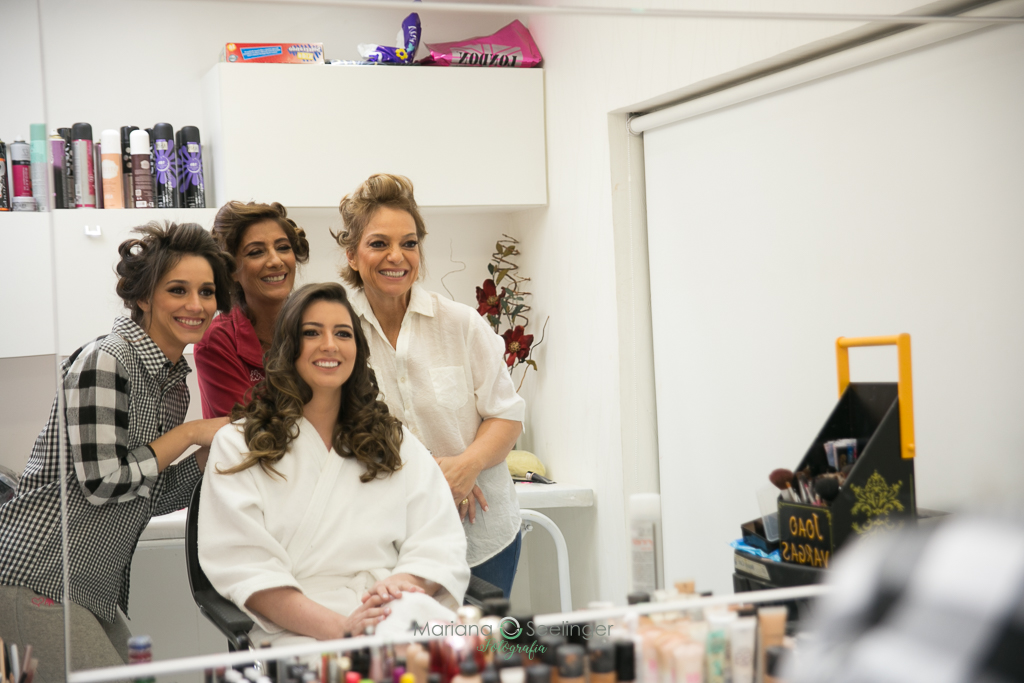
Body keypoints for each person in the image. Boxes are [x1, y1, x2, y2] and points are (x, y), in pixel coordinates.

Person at [0, 223, 233, 678]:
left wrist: (210, 460)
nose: (196, 305)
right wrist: (191, 435)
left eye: (207, 292)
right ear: (143, 297)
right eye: (178, 290)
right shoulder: (107, 360)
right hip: (38, 574)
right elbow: (104, 481)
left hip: (90, 587)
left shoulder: (170, 382)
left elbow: (148, 493)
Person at [198, 282, 469, 646]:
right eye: (311, 333)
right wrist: (344, 629)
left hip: (392, 611)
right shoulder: (239, 446)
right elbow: (245, 568)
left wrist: (408, 583)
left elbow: (438, 537)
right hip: (299, 630)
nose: (330, 345)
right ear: (287, 347)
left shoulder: (392, 441)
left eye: (343, 333)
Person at [334, 174, 525, 598]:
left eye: (409, 242)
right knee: (406, 660)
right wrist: (428, 478)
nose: (396, 257)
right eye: (379, 243)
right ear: (351, 254)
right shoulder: (335, 332)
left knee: (476, 657)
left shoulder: (460, 324)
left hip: (481, 534)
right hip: (386, 542)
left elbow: (506, 415)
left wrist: (467, 464)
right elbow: (333, 432)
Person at [194, 201, 310, 418]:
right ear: (231, 270)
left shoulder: (315, 324)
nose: (276, 261)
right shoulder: (217, 340)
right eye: (256, 252)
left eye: (283, 248)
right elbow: (250, 431)